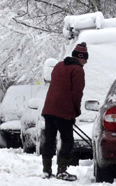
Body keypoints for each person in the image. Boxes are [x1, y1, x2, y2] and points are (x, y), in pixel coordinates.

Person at [40, 42, 88, 181]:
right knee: (67, 140)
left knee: (49, 140)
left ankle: (46, 170)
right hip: (64, 110)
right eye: (85, 59)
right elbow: (77, 93)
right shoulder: (78, 70)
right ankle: (62, 170)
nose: (86, 63)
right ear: (81, 57)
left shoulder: (59, 66)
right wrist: (76, 111)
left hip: (49, 108)